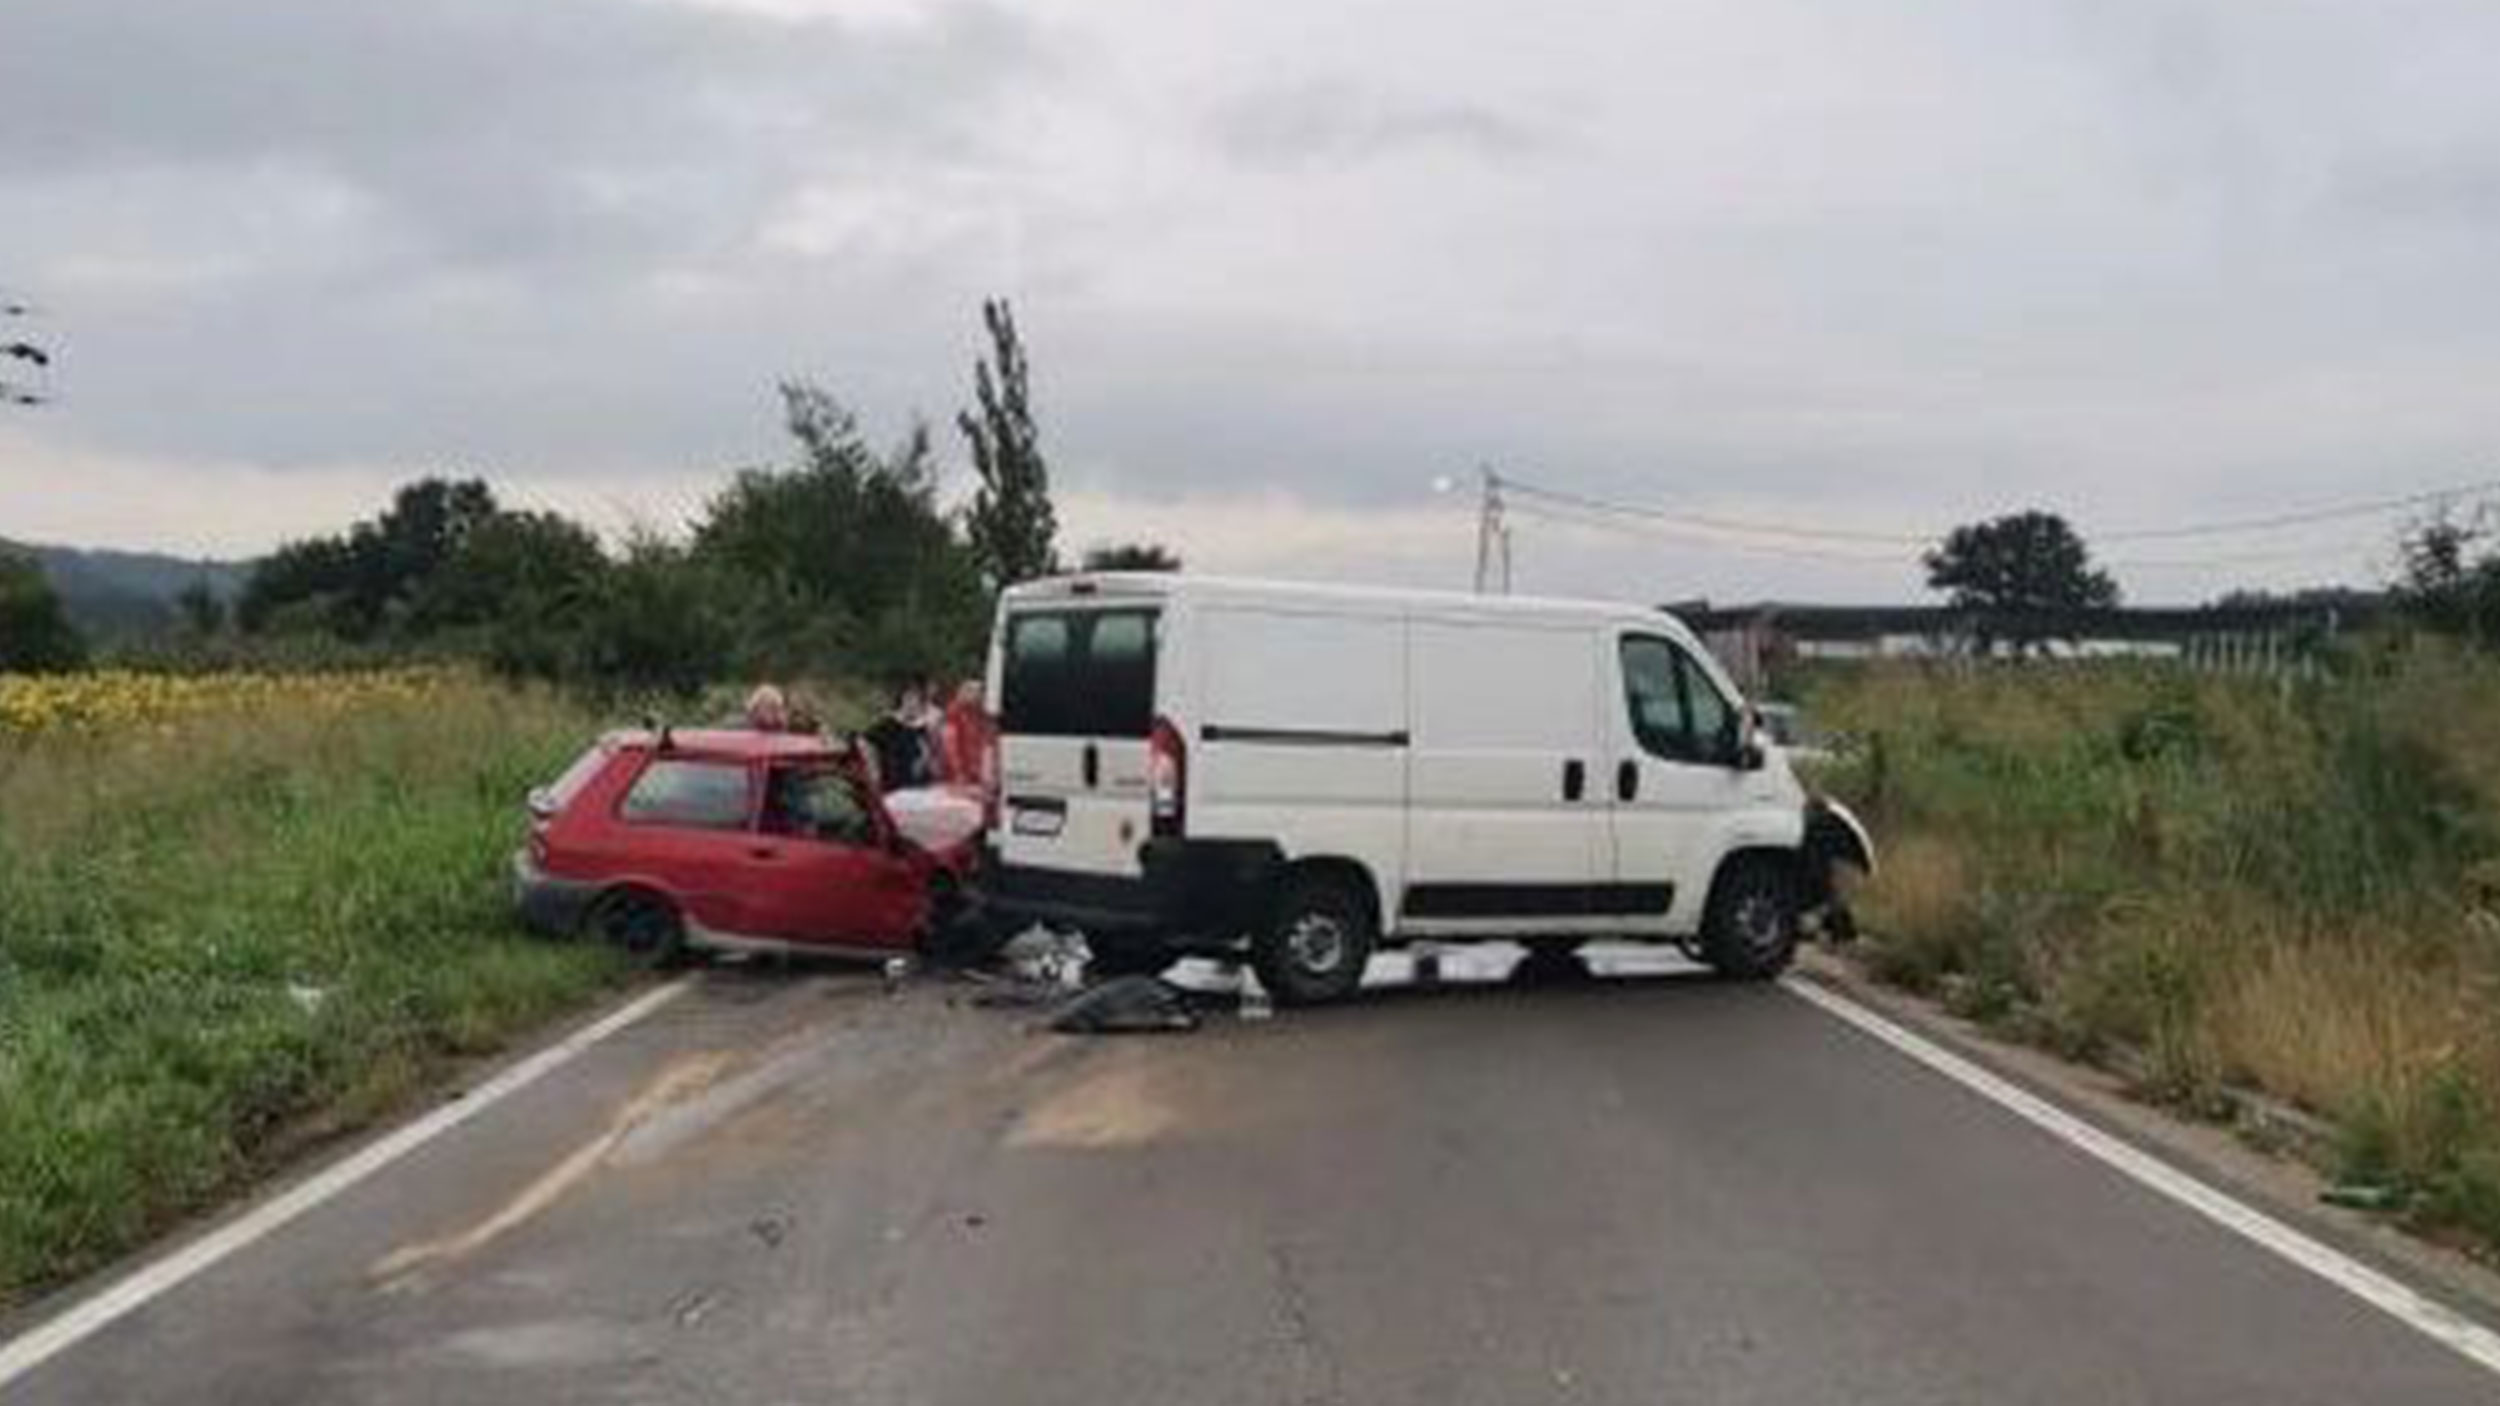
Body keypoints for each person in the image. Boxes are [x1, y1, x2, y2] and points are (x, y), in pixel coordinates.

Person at [862, 683, 935, 792]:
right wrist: (873, 767)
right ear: (902, 701)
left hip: (919, 783)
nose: (912, 705)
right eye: (909, 700)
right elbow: (864, 740)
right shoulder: (889, 724)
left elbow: (927, 750)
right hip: (894, 784)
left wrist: (925, 761)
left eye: (917, 701)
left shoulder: (922, 727)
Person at [938, 679, 997, 796]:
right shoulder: (954, 713)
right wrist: (959, 772)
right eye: (974, 691)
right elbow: (950, 746)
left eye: (981, 692)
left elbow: (989, 741)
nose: (979, 695)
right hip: (960, 774)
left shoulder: (983, 715)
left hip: (979, 772)